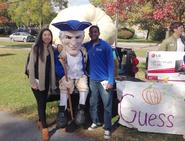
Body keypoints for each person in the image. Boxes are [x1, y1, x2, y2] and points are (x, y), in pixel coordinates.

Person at [52, 20, 91, 128]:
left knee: (84, 88)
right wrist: (63, 76)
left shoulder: (83, 51)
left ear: (82, 37)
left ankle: (81, 109)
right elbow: (58, 66)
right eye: (68, 37)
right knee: (64, 89)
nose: (73, 43)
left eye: (77, 37)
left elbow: (85, 63)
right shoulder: (61, 52)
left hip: (80, 75)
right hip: (67, 76)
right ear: (62, 38)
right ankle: (62, 112)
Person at [83, 25, 114, 139]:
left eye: (95, 32)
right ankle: (95, 122)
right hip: (92, 80)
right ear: (89, 34)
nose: (93, 34)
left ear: (99, 33)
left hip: (105, 80)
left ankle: (107, 128)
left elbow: (111, 64)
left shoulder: (105, 46)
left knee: (107, 105)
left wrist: (111, 81)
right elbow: (76, 48)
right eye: (91, 32)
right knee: (93, 103)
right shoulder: (87, 46)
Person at [28, 28, 56, 141]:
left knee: (43, 103)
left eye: (49, 35)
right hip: (37, 82)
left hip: (46, 82)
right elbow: (30, 66)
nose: (47, 37)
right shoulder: (36, 48)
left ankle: (40, 122)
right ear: (41, 36)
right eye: (45, 35)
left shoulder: (51, 49)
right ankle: (45, 129)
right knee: (41, 104)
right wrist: (33, 82)